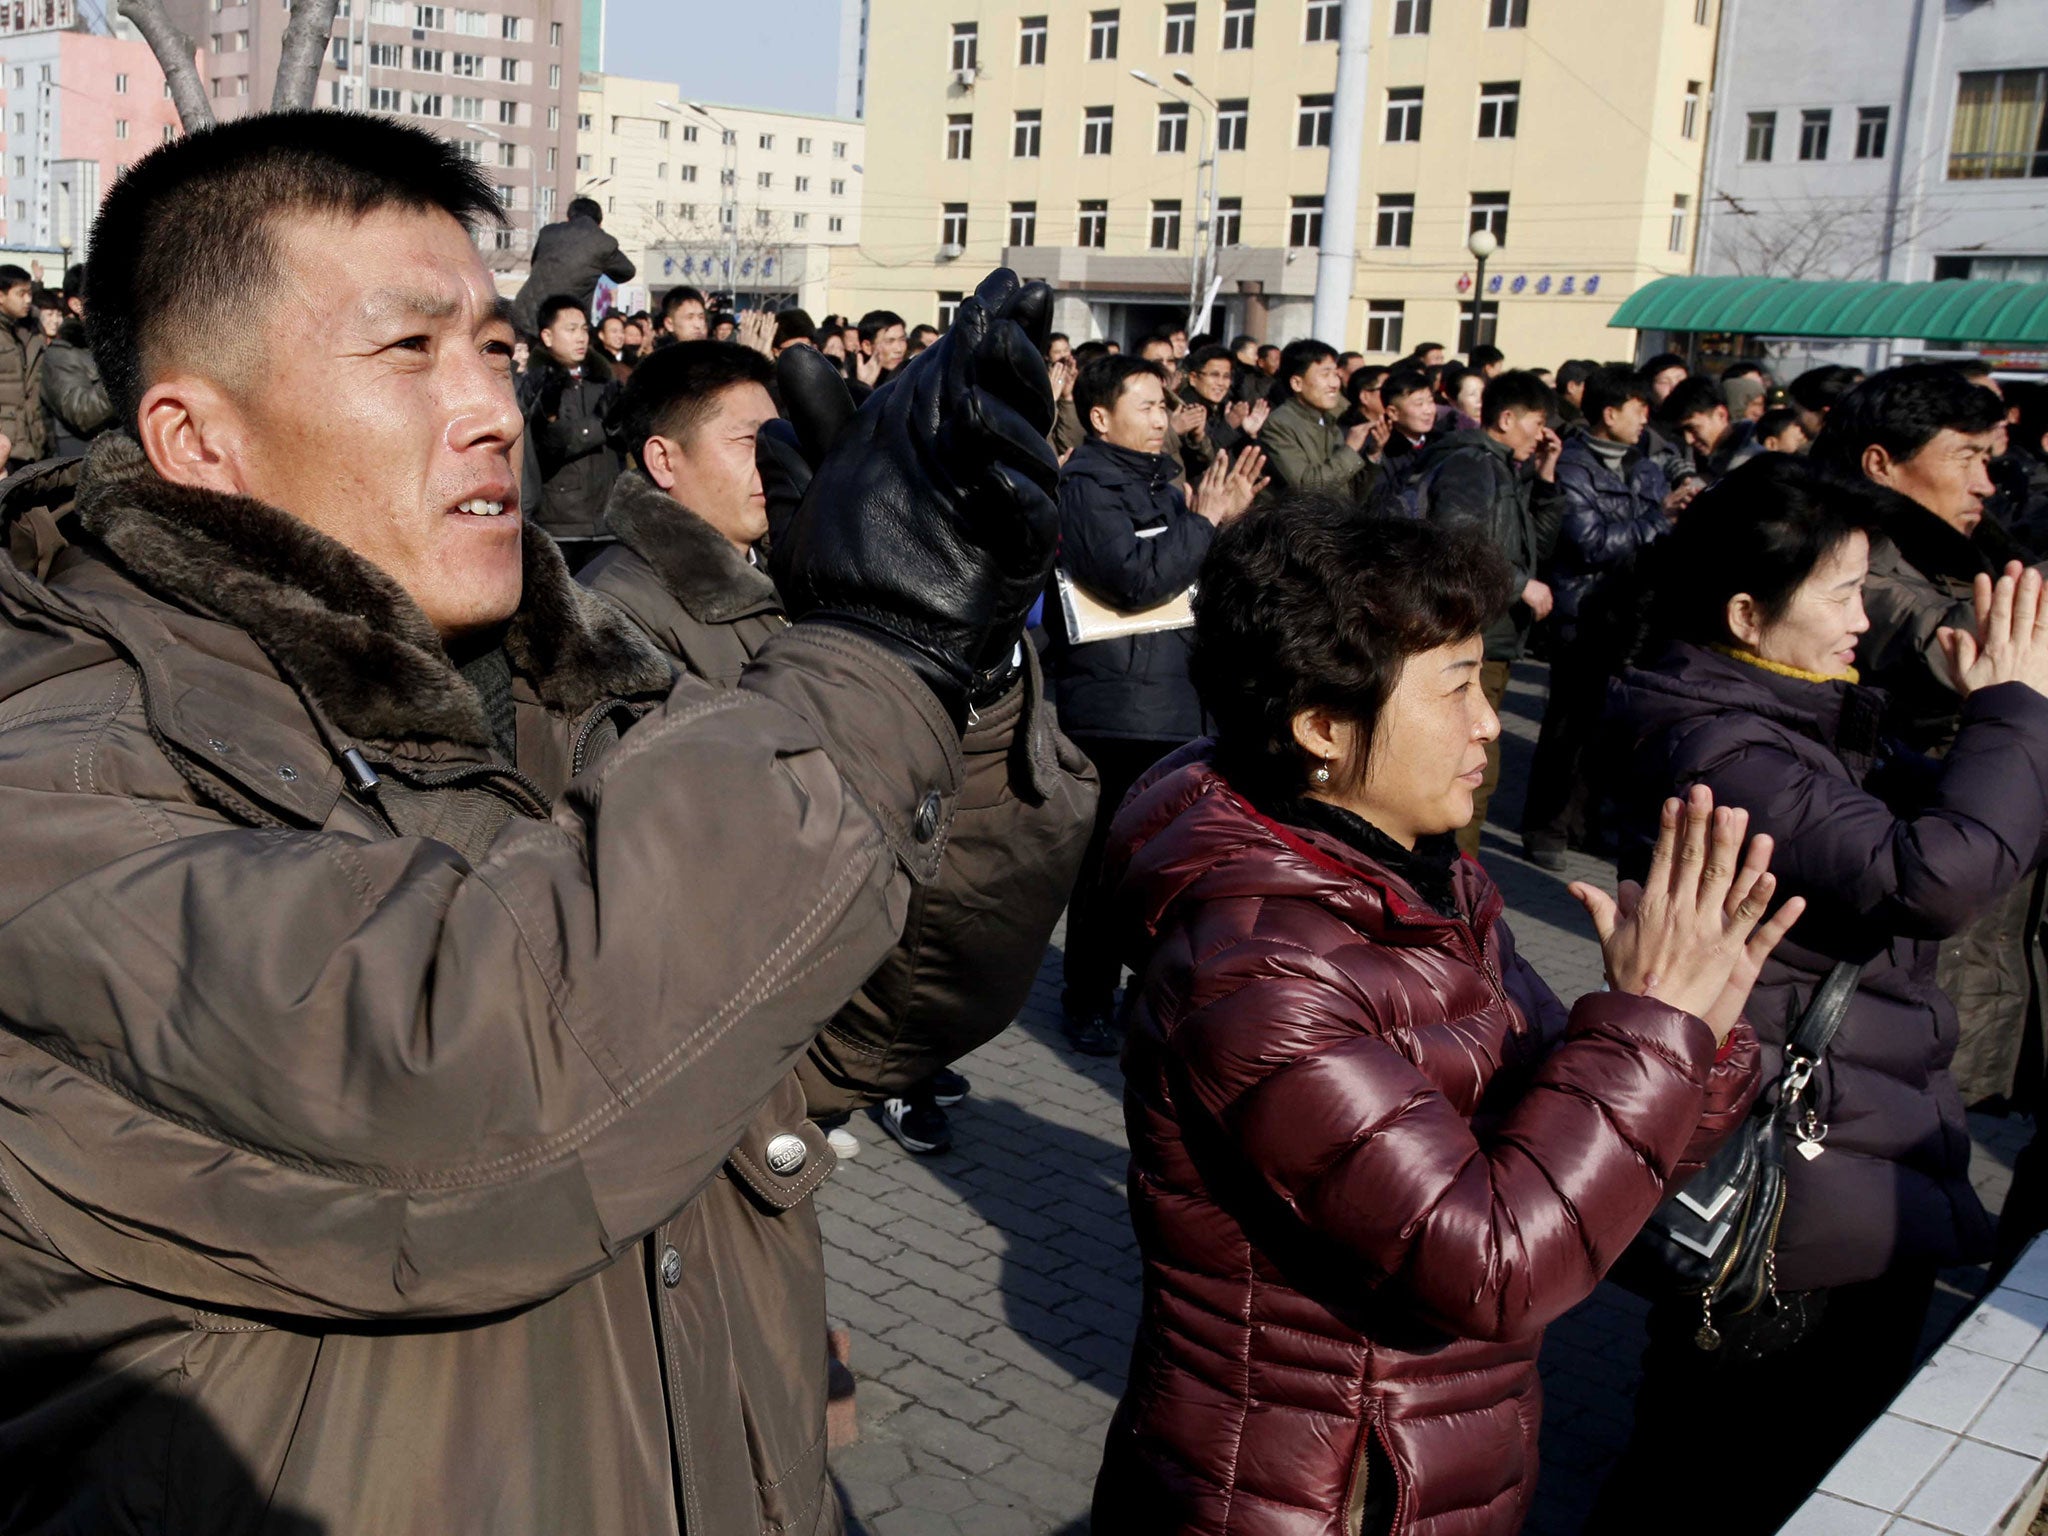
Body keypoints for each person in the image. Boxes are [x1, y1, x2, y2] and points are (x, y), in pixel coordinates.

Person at [0, 111, 1063, 1536]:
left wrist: (969, 678)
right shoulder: (58, 779)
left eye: (497, 347)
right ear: (198, 437)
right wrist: (878, 665)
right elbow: (476, 1068)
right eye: (408, 350)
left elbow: (867, 1014)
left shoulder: (596, 686)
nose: (493, 405)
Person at [1092, 502, 1782, 1536]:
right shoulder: (1260, 970)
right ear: (1321, 726)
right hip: (1316, 1491)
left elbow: (1580, 1176)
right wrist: (1647, 1030)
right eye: (1454, 686)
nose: (1485, 722)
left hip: (1435, 1451)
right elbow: (1493, 1265)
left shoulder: (1423, 879)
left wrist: (1697, 1035)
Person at [1593, 457, 2048, 1536]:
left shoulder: (1786, 708)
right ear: (1746, 612)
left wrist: (1962, 710)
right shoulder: (1721, 742)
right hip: (1796, 1153)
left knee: (1764, 1445)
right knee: (1718, 1461)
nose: (1863, 619)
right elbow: (1927, 876)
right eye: (1842, 594)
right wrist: (2011, 715)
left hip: (1846, 1130)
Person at [579, 341, 1094, 1158]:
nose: (774, 464)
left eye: (785, 439)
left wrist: (977, 664)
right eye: (751, 441)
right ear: (662, 460)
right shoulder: (610, 614)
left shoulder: (790, 575)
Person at [1809, 366, 2043, 1116]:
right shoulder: (1845, 563)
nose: (1986, 483)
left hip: (1985, 925)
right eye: (1966, 457)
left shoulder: (1960, 551)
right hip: (1900, 935)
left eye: (1989, 458)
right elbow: (1956, 638)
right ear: (1881, 463)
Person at [1046, 354, 1266, 1054]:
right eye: (1144, 405)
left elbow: (1190, 575)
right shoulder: (1085, 487)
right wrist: (1202, 523)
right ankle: (1086, 998)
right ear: (1101, 416)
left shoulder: (1164, 483)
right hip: (1119, 708)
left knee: (1166, 864)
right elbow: (1133, 578)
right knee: (1108, 867)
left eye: (1162, 406)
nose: (1159, 418)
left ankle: (1149, 993)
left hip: (1177, 698)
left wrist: (1224, 524)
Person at [1523, 366, 1692, 869]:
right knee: (1567, 728)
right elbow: (1589, 543)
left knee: (1612, 731)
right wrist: (1660, 517)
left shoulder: (1645, 467)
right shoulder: (1573, 468)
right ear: (1610, 412)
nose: (1645, 420)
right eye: (1639, 409)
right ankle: (1546, 828)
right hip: (1583, 615)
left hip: (1634, 617)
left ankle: (1592, 825)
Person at [1408, 369, 1564, 856]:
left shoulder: (1503, 468)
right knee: (1473, 775)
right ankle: (1456, 895)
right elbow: (1455, 539)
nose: (1542, 435)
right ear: (1507, 418)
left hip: (1491, 637)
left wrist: (1546, 477)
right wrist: (1521, 586)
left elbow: (1535, 543)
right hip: (1473, 636)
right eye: (1536, 423)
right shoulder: (1472, 466)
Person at [518, 293, 620, 560]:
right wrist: (599, 425)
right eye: (571, 329)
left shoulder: (602, 382)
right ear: (548, 337)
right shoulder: (539, 385)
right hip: (561, 522)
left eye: (584, 329)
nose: (581, 337)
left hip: (607, 521)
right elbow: (549, 445)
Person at [1257, 338, 1377, 501]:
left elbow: (1350, 493)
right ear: (1297, 383)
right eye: (1325, 374)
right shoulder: (1278, 424)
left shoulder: (1329, 422)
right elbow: (1307, 487)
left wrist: (1372, 455)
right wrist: (1350, 450)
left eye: (1335, 374)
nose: (1334, 383)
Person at [509, 195, 636, 339]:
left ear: (569, 217)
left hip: (523, 314)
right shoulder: (604, 242)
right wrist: (601, 268)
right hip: (564, 324)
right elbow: (628, 271)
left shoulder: (548, 232)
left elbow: (534, 263)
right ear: (599, 223)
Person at [41, 271, 112, 458]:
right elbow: (83, 413)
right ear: (76, 305)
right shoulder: (60, 354)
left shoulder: (103, 344)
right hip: (83, 463)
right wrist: (120, 374)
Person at [1664, 374, 1763, 484]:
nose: (1688, 439)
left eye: (1693, 428)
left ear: (1721, 415)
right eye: (1681, 432)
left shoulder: (1755, 467)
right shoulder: (1703, 465)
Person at [0, 263, 47, 470]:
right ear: (1, 296)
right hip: (5, 447)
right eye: (21, 294)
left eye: (30, 293)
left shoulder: (25, 331)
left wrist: (37, 284)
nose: (28, 300)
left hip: (31, 441)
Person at [1380, 366, 1441, 461]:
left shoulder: (1442, 443)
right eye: (1419, 404)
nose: (1428, 411)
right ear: (1393, 413)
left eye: (1430, 401)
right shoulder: (1381, 451)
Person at [857, 309, 908, 387]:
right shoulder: (846, 384)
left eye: (902, 339)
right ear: (867, 346)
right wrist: (864, 386)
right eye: (889, 341)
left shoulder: (914, 377)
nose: (899, 349)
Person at [592, 310, 633, 378]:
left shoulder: (633, 361)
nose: (619, 336)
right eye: (614, 331)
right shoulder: (594, 362)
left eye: (622, 332)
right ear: (601, 335)